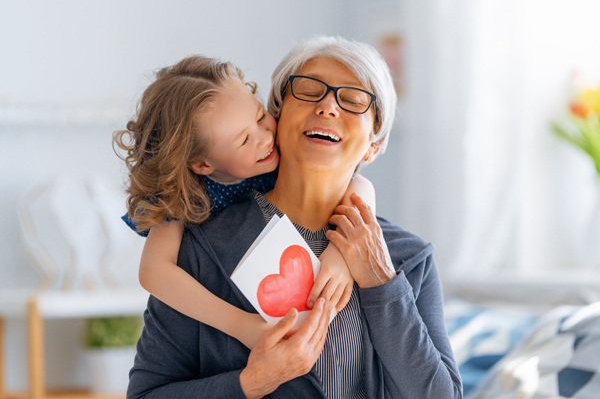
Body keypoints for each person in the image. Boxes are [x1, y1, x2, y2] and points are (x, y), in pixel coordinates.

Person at [128, 36, 463, 399]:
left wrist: (380, 281)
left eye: (353, 100)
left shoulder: (408, 260)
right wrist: (250, 383)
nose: (328, 107)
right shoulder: (199, 250)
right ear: (277, 111)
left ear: (374, 143)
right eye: (308, 90)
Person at [113, 55, 375, 350]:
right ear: (202, 164)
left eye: (261, 116)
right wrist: (240, 325)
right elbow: (153, 273)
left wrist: (342, 254)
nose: (265, 137)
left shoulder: (277, 156)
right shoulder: (180, 194)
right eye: (243, 140)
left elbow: (361, 185)